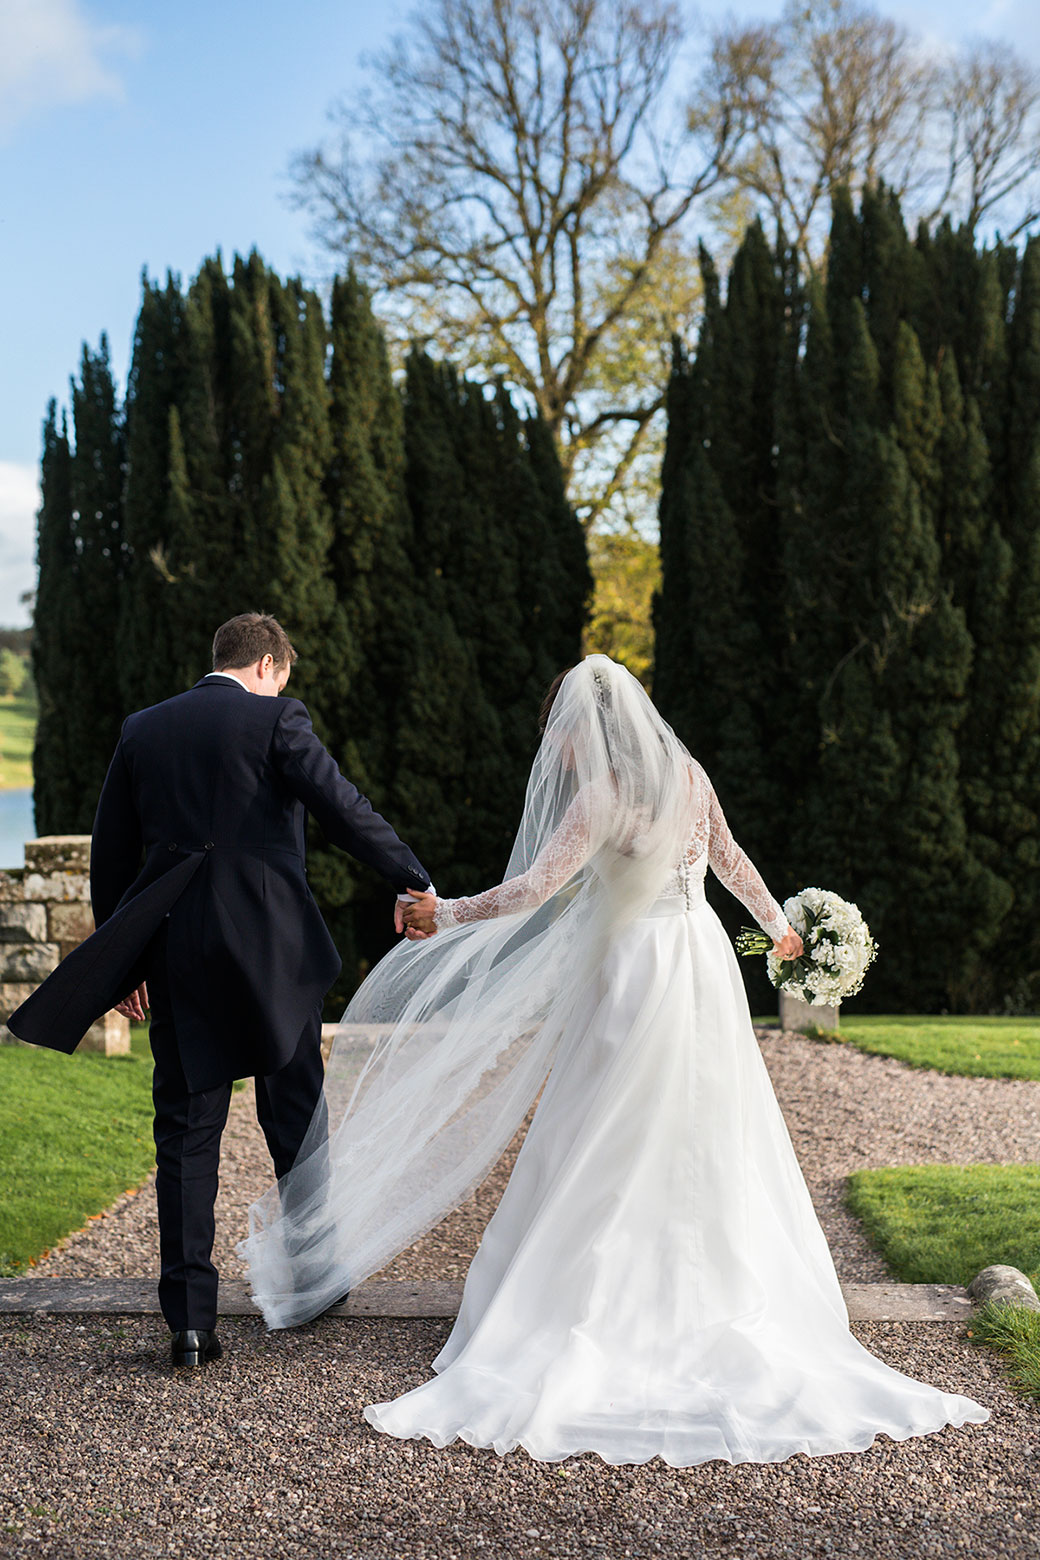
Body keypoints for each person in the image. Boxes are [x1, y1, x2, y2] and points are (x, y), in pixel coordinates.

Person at [242, 654, 988, 1466]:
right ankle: (712, 1289)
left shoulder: (602, 797)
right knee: (704, 1117)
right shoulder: (688, 777)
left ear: (588, 728)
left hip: (637, 969)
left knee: (608, 1122)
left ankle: (595, 1298)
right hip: (699, 956)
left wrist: (445, 913)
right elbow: (732, 860)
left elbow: (534, 889)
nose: (558, 750)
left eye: (561, 733)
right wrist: (780, 928)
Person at [9, 612, 432, 1368]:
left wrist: (126, 962)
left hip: (178, 947)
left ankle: (190, 1324)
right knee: (296, 1114)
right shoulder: (278, 719)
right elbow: (343, 807)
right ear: (268, 664)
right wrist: (411, 877)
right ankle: (313, 1281)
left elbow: (112, 857)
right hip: (273, 949)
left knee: (186, 1127)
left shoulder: (143, 728)